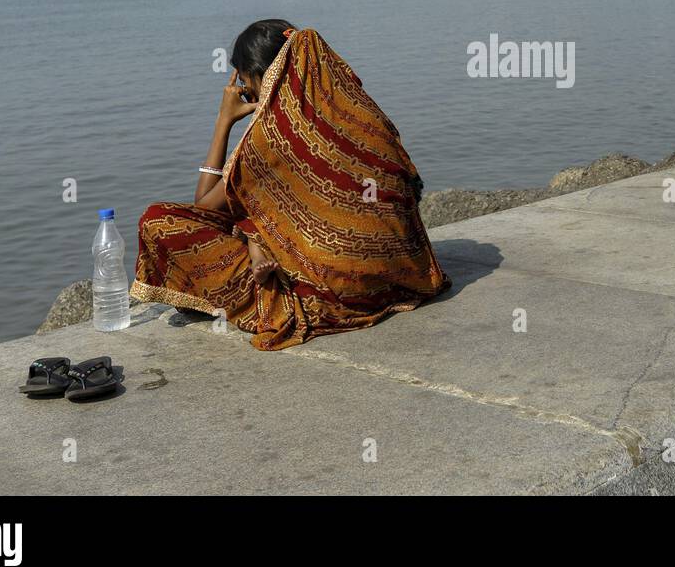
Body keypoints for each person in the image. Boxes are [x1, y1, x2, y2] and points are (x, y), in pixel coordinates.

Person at [130, 19, 448, 350]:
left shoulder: (271, 137)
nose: (245, 90)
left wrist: (223, 121)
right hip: (405, 277)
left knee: (158, 221)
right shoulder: (363, 115)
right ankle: (260, 244)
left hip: (327, 294)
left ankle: (259, 264)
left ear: (258, 74)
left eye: (243, 79)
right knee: (252, 216)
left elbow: (203, 209)